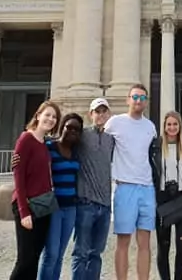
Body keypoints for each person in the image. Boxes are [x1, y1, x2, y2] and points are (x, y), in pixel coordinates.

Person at [104, 84, 158, 280]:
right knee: (123, 241)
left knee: (145, 242)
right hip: (125, 186)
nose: (138, 101)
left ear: (146, 102)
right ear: (128, 99)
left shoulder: (150, 127)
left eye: (142, 98)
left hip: (147, 187)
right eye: (135, 97)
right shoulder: (115, 123)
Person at [11, 101, 61, 280]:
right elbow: (18, 176)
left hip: (43, 206)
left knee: (34, 258)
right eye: (47, 114)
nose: (51, 119)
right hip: (28, 205)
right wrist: (24, 212)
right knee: (24, 260)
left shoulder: (44, 143)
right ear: (38, 115)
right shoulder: (26, 138)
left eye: (54, 117)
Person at [72, 98, 115, 280]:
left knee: (96, 254)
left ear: (109, 114)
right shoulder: (82, 135)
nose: (101, 115)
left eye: (104, 111)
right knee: (81, 252)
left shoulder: (111, 139)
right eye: (97, 111)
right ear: (90, 114)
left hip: (105, 205)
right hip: (85, 203)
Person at [39, 113, 83, 280]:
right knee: (51, 253)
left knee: (60, 255)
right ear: (62, 127)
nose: (72, 131)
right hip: (54, 207)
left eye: (76, 129)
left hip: (71, 207)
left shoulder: (76, 152)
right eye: (69, 127)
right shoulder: (49, 147)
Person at [150, 111, 182, 280]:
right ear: (164, 126)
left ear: (180, 126)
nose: (172, 127)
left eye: (175, 124)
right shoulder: (156, 147)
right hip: (163, 199)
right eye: (169, 124)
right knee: (163, 246)